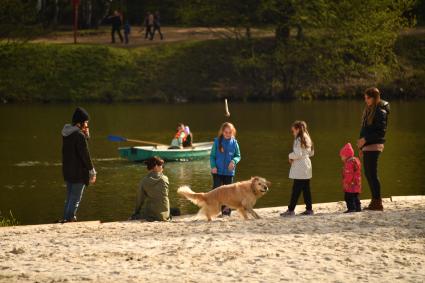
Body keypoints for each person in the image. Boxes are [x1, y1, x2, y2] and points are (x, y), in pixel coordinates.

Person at [357, 87, 390, 211]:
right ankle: (374, 200)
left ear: (374, 98)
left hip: (374, 145)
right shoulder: (369, 109)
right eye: (365, 98)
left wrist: (365, 140)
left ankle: (378, 202)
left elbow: (381, 132)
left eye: (367, 98)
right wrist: (361, 146)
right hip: (367, 145)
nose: (365, 100)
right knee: (368, 173)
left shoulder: (381, 111)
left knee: (372, 173)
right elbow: (364, 129)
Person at [61, 107, 96, 222]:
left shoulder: (67, 133)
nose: (86, 125)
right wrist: (92, 171)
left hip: (68, 171)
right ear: (79, 122)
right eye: (85, 122)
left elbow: (77, 150)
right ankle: (69, 218)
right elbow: (85, 154)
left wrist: (86, 136)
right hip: (78, 172)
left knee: (70, 198)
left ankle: (66, 219)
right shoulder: (79, 136)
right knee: (75, 199)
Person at [280, 121, 314, 217]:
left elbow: (298, 154)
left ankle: (291, 210)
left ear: (298, 129)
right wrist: (303, 155)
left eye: (293, 130)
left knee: (296, 189)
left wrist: (290, 156)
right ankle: (309, 209)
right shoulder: (307, 137)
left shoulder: (298, 139)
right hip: (307, 166)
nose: (293, 133)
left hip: (300, 167)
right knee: (306, 189)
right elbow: (312, 153)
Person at [210, 122, 241, 216]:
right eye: (226, 132)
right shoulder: (217, 142)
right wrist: (213, 166)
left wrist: (233, 161)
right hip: (217, 171)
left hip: (229, 172)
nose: (227, 134)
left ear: (233, 132)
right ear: (222, 132)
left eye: (229, 132)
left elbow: (238, 156)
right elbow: (212, 156)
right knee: (216, 190)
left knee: (228, 192)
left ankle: (226, 211)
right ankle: (213, 209)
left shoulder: (234, 143)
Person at [130, 156, 170, 221]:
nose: (163, 167)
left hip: (150, 214)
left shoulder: (143, 181)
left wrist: (136, 212)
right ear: (156, 166)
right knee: (176, 210)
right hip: (165, 215)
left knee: (138, 212)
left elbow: (140, 199)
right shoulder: (165, 178)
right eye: (162, 165)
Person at [340, 143, 362, 213]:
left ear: (346, 155)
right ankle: (358, 208)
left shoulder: (349, 163)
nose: (341, 158)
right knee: (356, 196)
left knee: (348, 197)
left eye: (342, 156)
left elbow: (349, 174)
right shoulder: (356, 160)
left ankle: (351, 208)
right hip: (357, 184)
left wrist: (346, 183)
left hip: (351, 185)